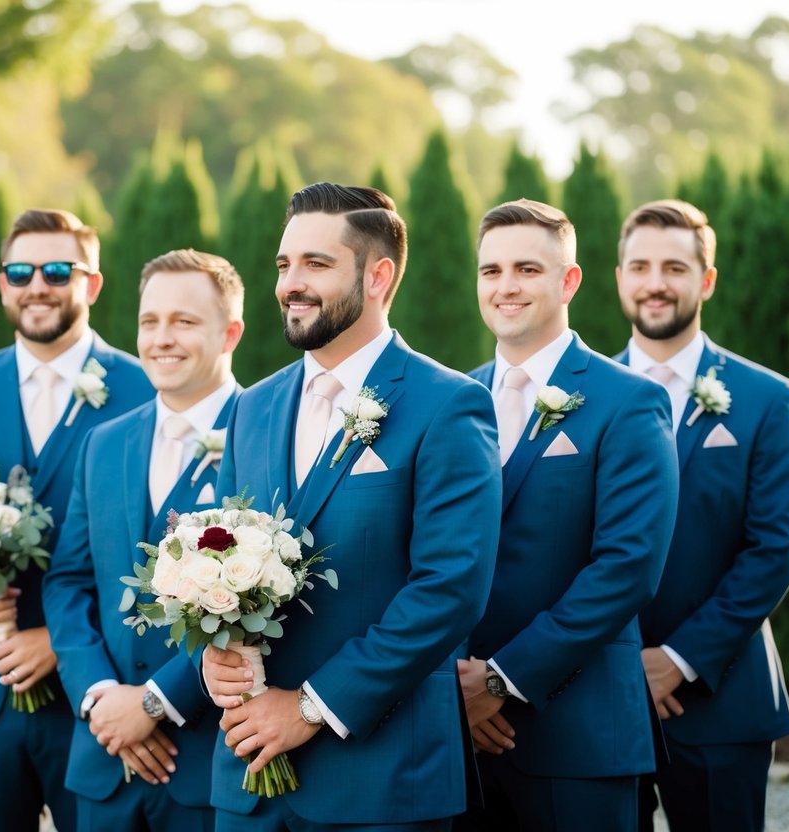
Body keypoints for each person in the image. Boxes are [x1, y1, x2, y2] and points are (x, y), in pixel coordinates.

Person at [202, 182, 501, 831]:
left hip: (380, 781)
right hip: (249, 775)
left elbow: (450, 589)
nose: (290, 284)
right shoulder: (250, 408)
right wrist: (215, 650)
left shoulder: (446, 405)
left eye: (316, 264)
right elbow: (225, 559)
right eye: (284, 265)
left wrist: (310, 707)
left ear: (378, 275)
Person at [0, 208, 155, 830]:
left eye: (57, 269)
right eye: (20, 271)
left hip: (96, 704)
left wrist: (64, 641)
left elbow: (163, 543)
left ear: (92, 284)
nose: (37, 285)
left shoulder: (145, 386)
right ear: (1, 286)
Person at [458, 199, 679, 832]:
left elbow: (628, 568)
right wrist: (452, 682)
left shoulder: (630, 401)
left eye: (527, 269)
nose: (506, 287)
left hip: (577, 731)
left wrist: (500, 680)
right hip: (456, 735)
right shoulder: (456, 399)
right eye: (491, 270)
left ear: (569, 280)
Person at [612, 199, 789, 832]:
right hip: (600, 696)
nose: (655, 283)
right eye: (639, 265)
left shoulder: (767, 398)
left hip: (722, 695)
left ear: (707, 280)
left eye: (674, 266)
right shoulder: (578, 397)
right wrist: (622, 658)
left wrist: (680, 658)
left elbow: (773, 550)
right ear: (619, 277)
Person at [44, 248, 246, 831]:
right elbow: (68, 582)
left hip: (209, 762)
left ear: (229, 332)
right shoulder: (104, 443)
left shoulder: (262, 433)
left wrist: (155, 703)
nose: (163, 338)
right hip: (104, 757)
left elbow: (272, 598)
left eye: (184, 321)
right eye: (150, 321)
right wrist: (103, 699)